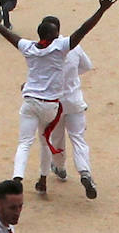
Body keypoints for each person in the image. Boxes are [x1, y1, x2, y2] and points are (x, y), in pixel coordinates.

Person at [0, 0, 116, 185]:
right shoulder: (62, 48)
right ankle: (77, 173)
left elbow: (8, 35)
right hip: (60, 102)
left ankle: (34, 174)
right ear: (55, 33)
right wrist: (101, 10)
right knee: (66, 139)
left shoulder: (29, 47)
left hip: (37, 101)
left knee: (35, 142)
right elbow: (84, 30)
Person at [37, 44, 98, 199]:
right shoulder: (74, 47)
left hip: (56, 102)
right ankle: (84, 171)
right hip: (75, 100)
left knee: (57, 138)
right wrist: (72, 77)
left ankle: (59, 166)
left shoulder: (44, 51)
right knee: (78, 139)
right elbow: (87, 66)